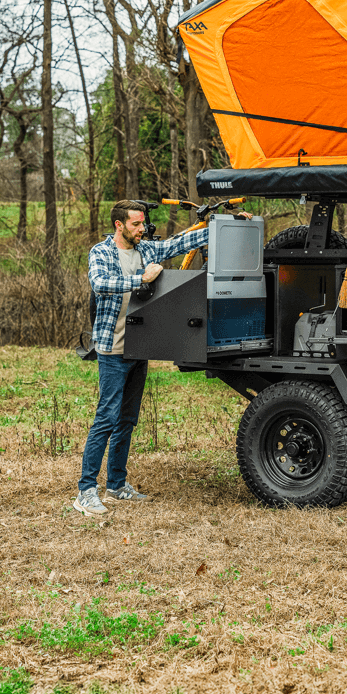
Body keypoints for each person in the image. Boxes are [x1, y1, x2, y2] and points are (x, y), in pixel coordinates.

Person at [74, 199, 250, 516]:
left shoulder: (148, 251)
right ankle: (86, 491)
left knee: (127, 420)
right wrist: (140, 279)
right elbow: (100, 284)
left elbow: (183, 241)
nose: (143, 229)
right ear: (119, 225)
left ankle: (116, 484)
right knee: (106, 419)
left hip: (138, 347)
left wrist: (229, 222)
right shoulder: (101, 252)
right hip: (111, 349)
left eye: (143, 223)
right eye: (136, 224)